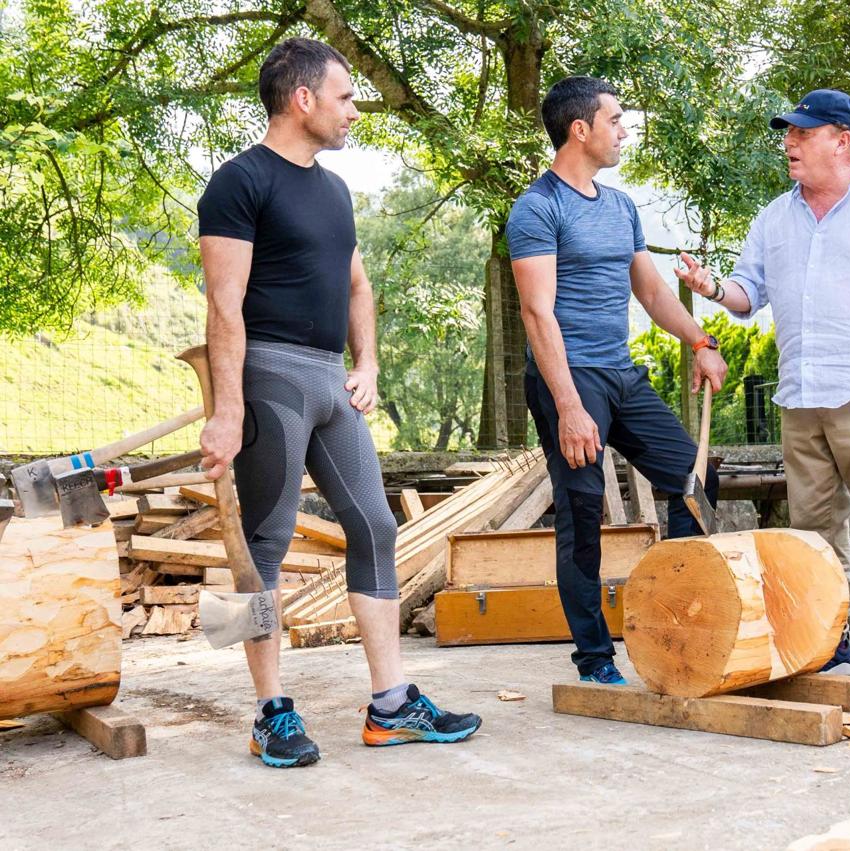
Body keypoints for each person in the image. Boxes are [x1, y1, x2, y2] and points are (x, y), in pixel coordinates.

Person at [196, 37, 481, 767]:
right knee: (263, 541)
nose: (354, 110)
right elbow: (224, 307)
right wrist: (226, 410)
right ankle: (266, 710)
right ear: (303, 99)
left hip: (331, 380)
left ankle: (391, 704)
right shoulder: (238, 183)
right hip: (270, 376)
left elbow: (357, 284)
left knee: (376, 525)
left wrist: (371, 362)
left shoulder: (333, 190)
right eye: (346, 97)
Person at [674, 89, 850, 680]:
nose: (789, 143)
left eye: (802, 132)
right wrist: (712, 287)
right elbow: (748, 295)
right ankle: (827, 638)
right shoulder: (776, 216)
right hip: (800, 398)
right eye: (788, 133)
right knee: (813, 531)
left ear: (842, 140)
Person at [507, 76, 729, 684]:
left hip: (620, 374)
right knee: (581, 515)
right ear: (581, 129)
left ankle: (673, 613)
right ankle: (594, 657)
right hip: (569, 380)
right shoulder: (537, 209)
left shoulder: (621, 206)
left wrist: (701, 342)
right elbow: (537, 313)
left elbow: (652, 290)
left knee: (695, 475)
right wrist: (570, 407)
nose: (624, 130)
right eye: (616, 119)